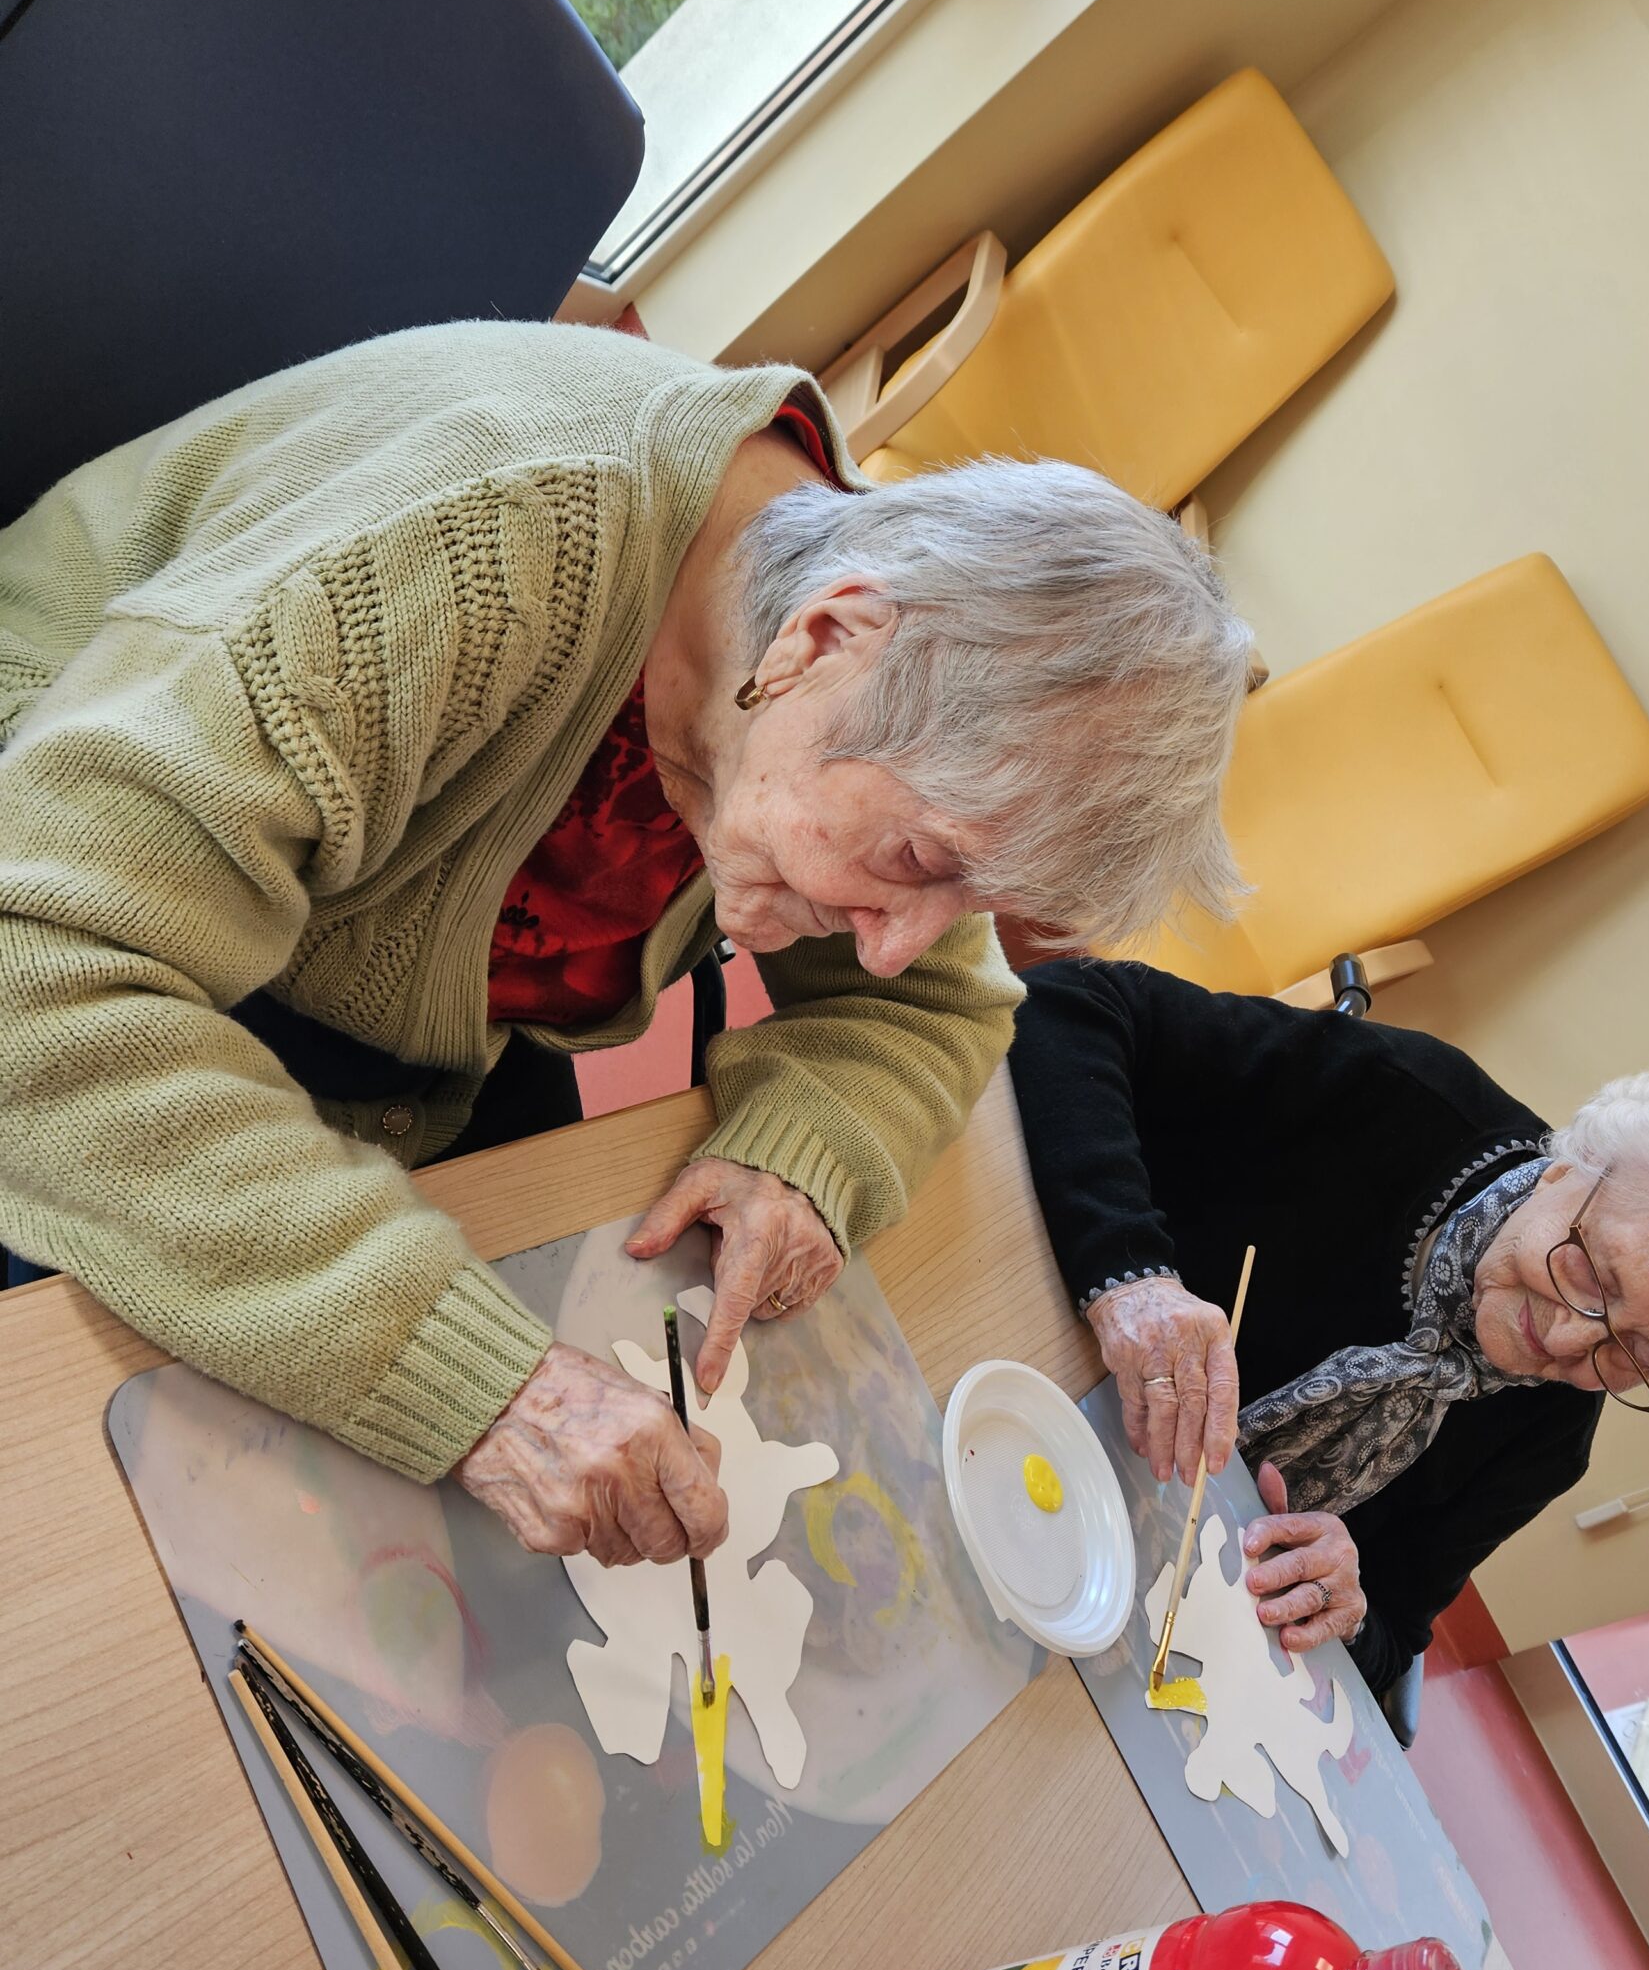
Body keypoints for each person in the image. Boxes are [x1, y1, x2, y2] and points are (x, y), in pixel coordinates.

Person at [0, 322, 1251, 1570]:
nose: (894, 949)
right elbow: (36, 977)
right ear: (824, 639)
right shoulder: (472, 559)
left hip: (380, 992)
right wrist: (485, 1388)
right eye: (919, 864)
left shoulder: (870, 674)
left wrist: (810, 1148)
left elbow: (940, 1006)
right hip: (76, 891)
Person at [1008, 959, 1649, 1700]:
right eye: (1592, 1273)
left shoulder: (1544, 1440)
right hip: (1014, 1350)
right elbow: (1075, 1003)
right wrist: (1132, 1274)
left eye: (1639, 1354)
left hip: (1096, 1564)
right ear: (1562, 1172)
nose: (1573, 1343)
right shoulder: (1399, 1100)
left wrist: (1343, 1599)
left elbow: (1392, 1645)